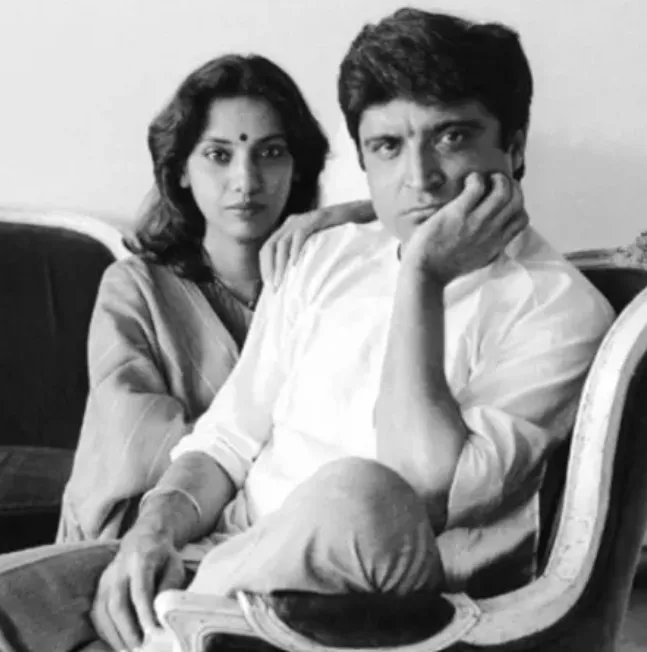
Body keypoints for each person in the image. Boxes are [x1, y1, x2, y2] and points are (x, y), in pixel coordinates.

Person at [0, 9, 615, 652]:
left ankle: (179, 621)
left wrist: (422, 278)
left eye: (452, 137)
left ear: (514, 146)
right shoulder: (327, 254)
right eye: (388, 147)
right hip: (222, 554)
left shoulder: (560, 309)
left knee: (366, 494)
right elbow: (227, 440)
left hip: (364, 593)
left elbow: (426, 484)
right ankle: (181, 615)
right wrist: (152, 533)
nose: (420, 177)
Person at [56, 53, 374, 543]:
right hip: (148, 534)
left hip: (298, 537)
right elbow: (137, 446)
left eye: (271, 153)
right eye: (219, 155)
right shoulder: (136, 288)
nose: (246, 181)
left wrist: (347, 215)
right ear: (182, 169)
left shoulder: (327, 278)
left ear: (298, 167)